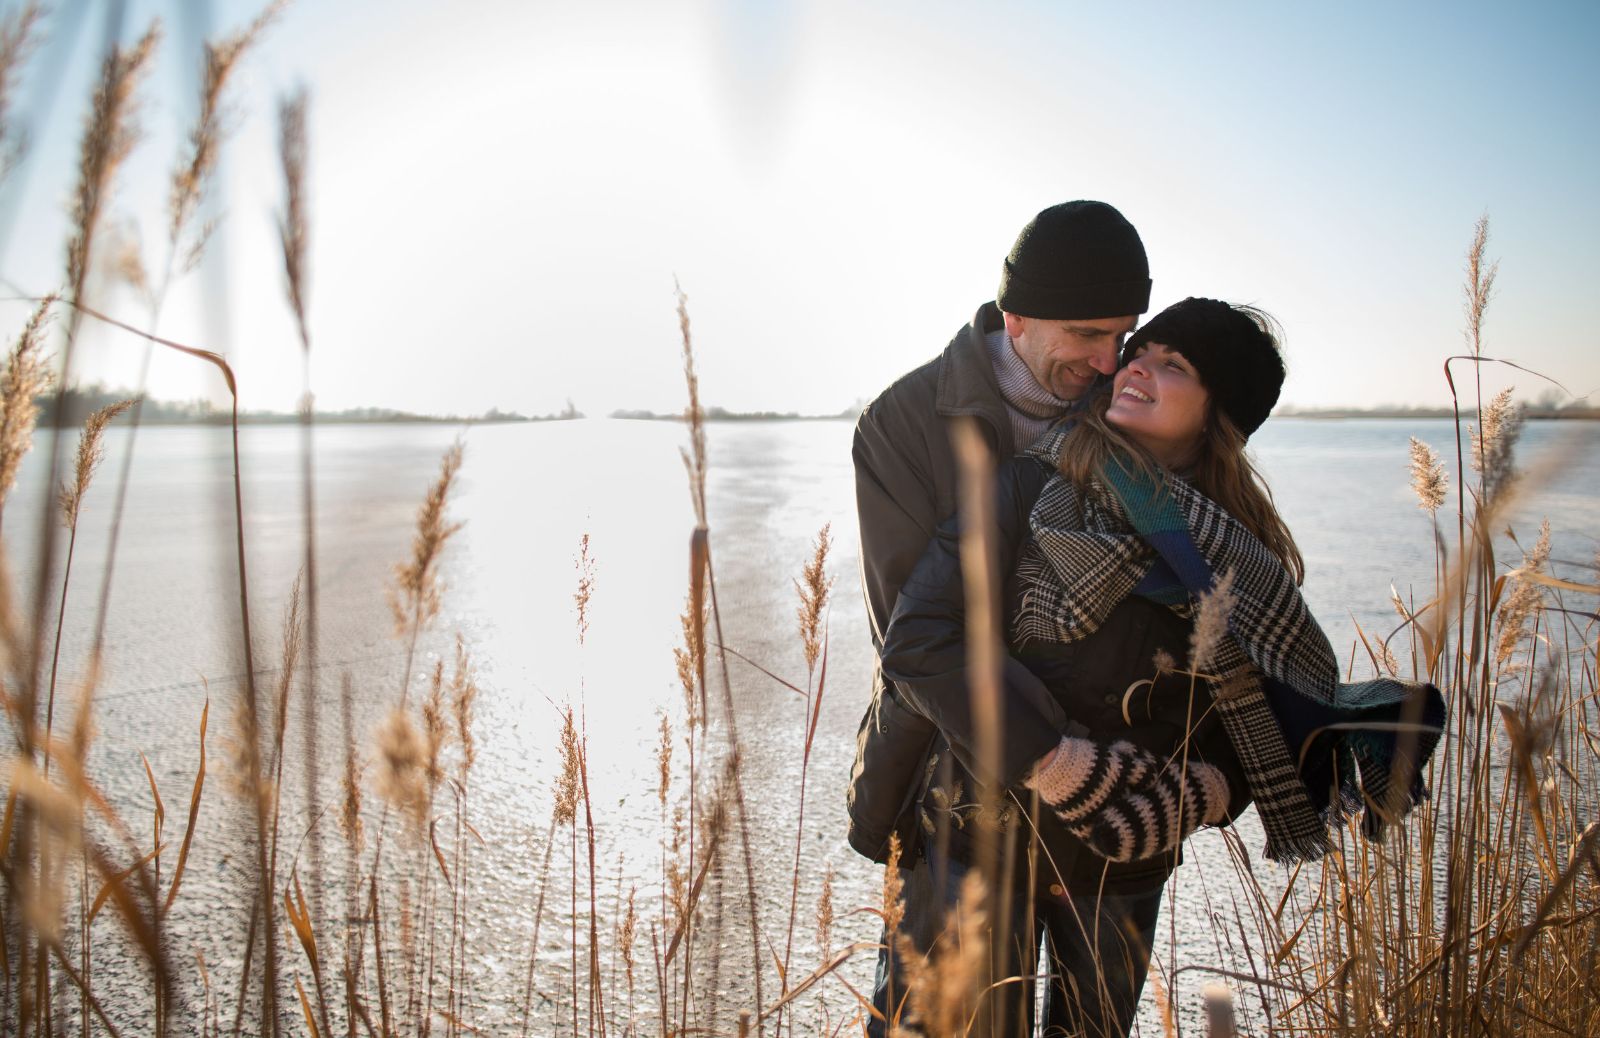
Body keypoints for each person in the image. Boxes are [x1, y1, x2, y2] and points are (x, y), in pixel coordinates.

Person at [868, 298, 1444, 1036]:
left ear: (1217, 415)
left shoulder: (1244, 557)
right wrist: (1055, 763)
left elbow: (1260, 715)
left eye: (1175, 366)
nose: (1137, 365)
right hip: (977, 842)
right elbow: (920, 641)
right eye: (1142, 350)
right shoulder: (1026, 488)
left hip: (1123, 865)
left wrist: (1208, 791)